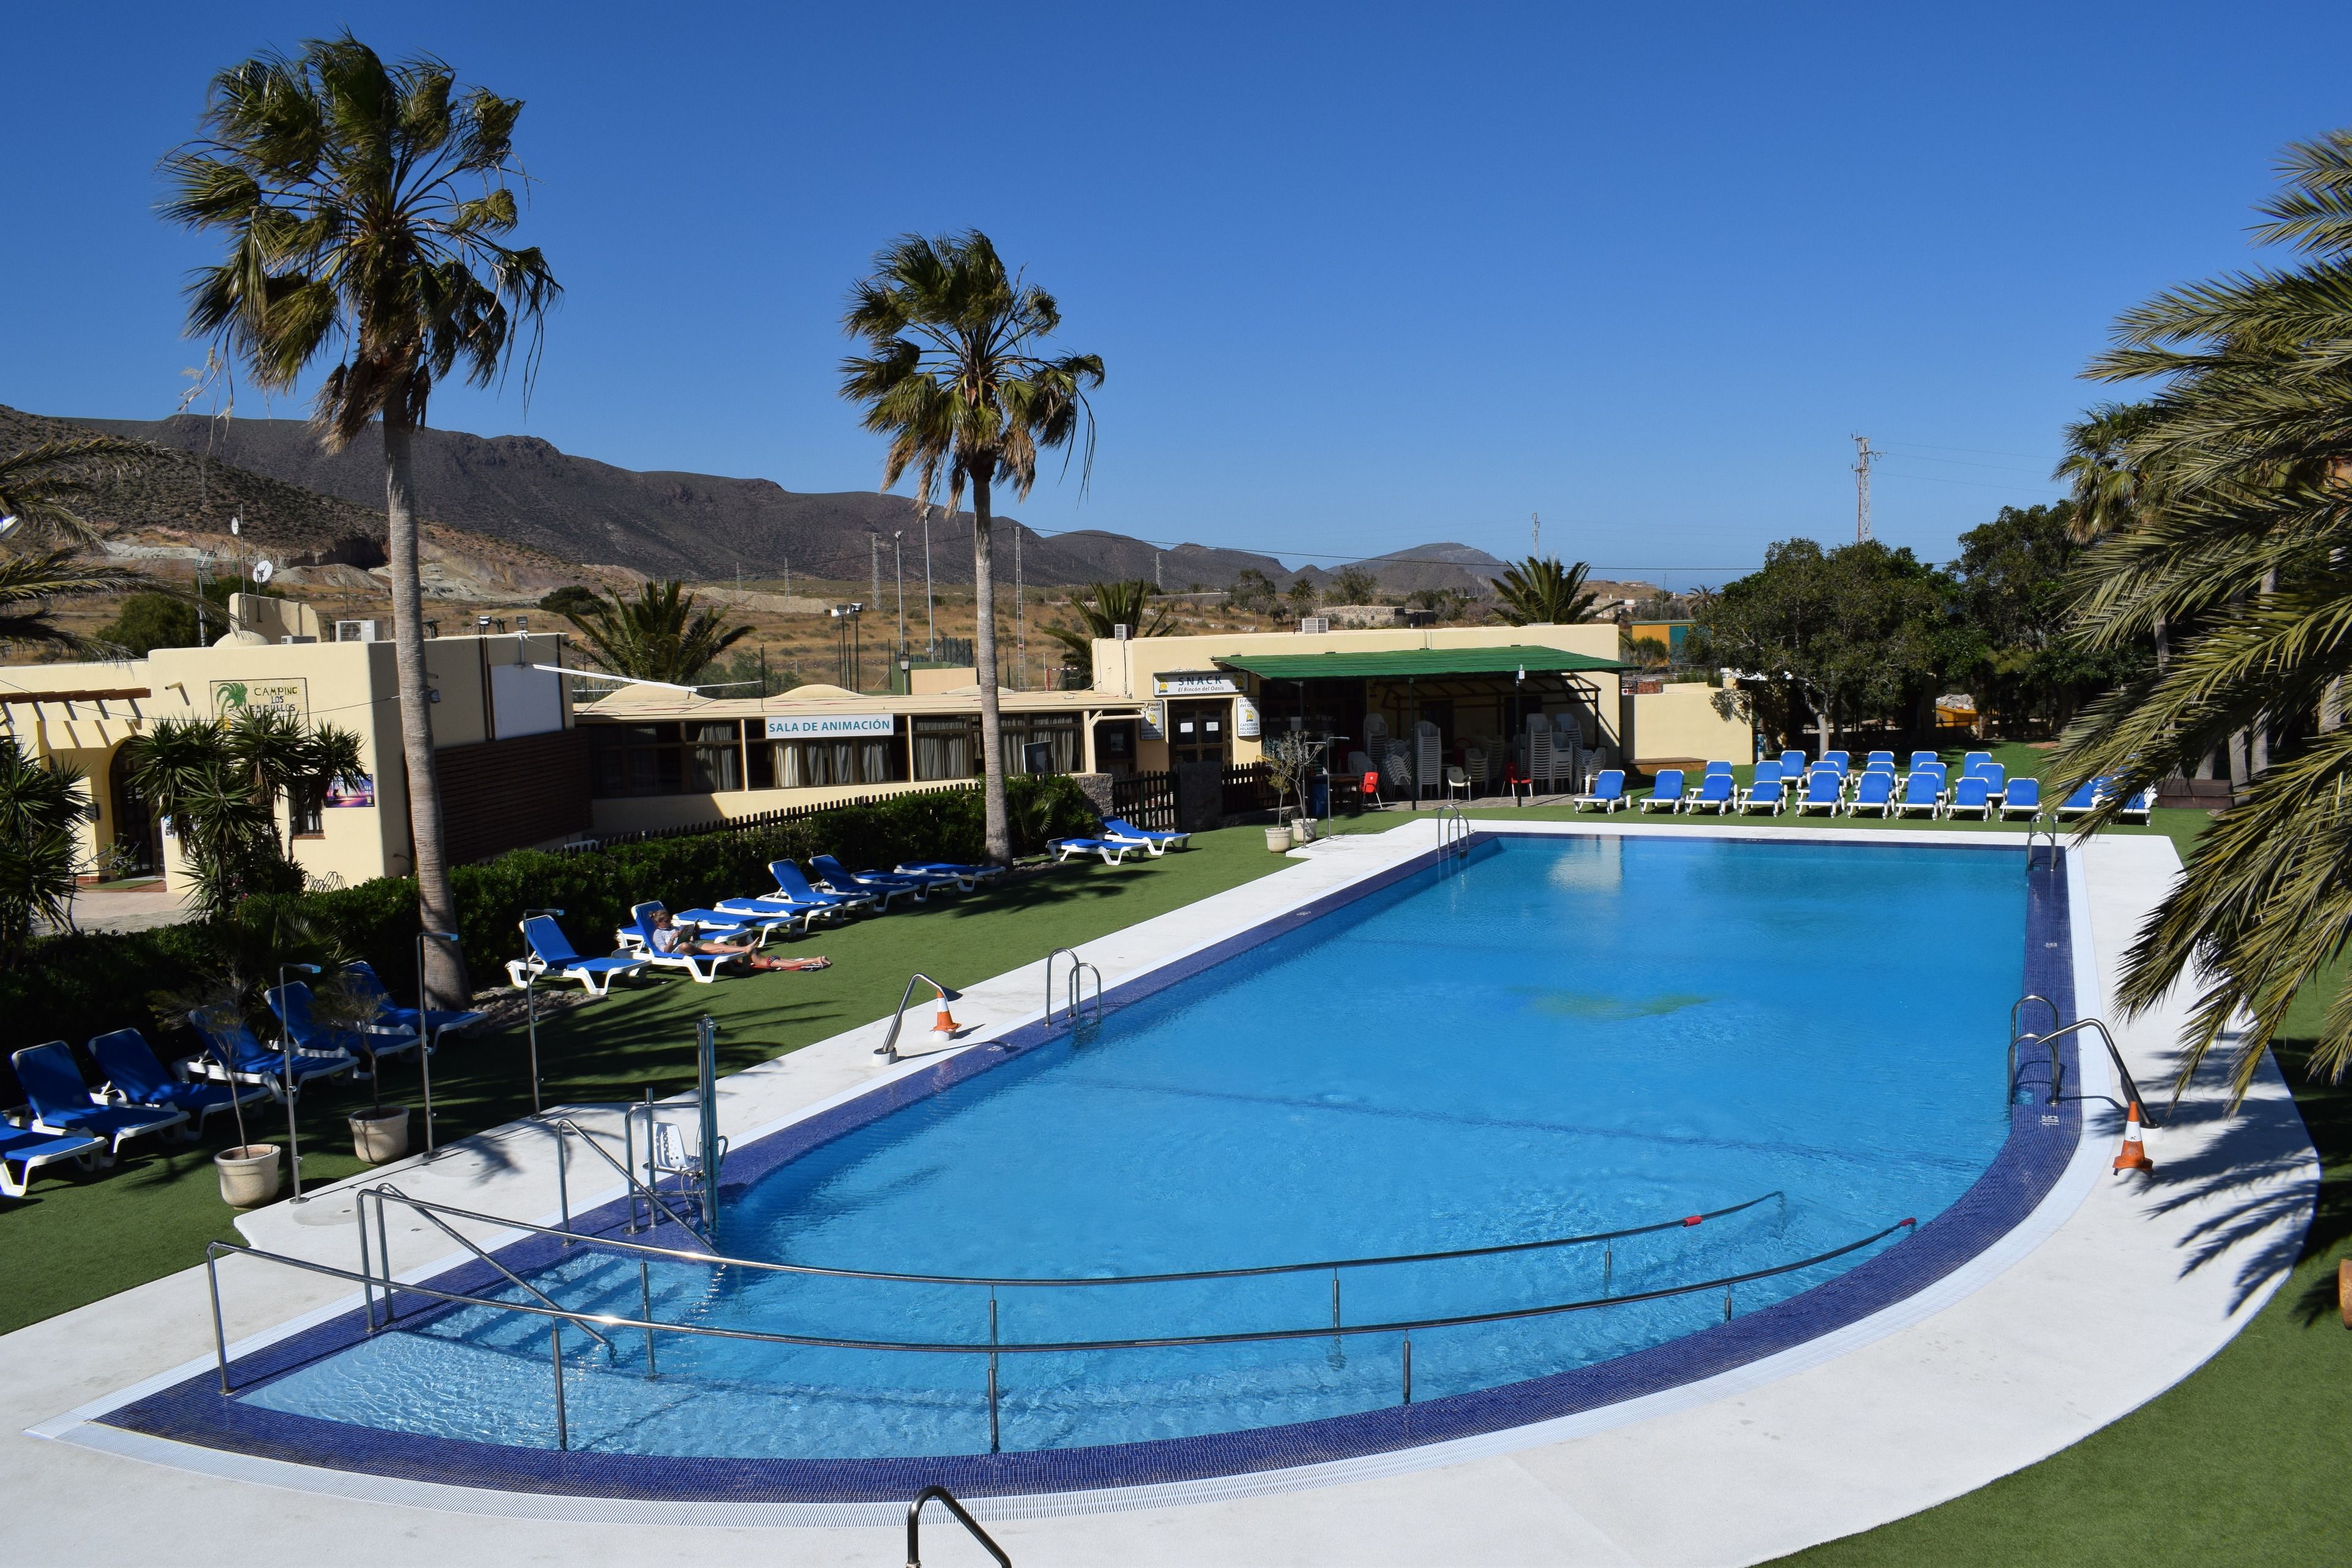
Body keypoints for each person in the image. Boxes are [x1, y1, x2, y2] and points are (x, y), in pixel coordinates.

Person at [648, 910, 829, 972]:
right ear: (658, 922)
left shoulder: (673, 927)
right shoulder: (658, 934)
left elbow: (693, 941)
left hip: (694, 945)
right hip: (680, 949)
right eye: (666, 921)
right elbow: (665, 952)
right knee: (707, 949)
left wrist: (693, 932)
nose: (669, 922)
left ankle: (816, 959)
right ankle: (815, 959)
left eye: (669, 919)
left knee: (719, 948)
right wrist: (673, 939)